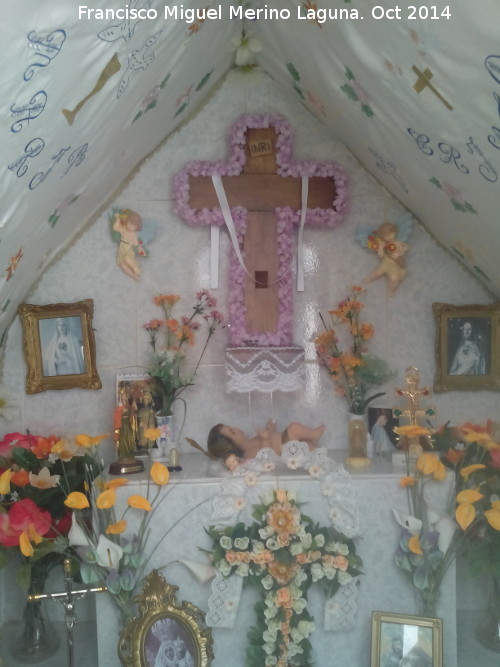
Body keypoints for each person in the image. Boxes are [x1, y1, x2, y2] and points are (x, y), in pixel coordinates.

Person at [207, 420, 325, 469]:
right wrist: (265, 438)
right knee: (294, 428)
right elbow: (266, 456)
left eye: (231, 427)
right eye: (232, 432)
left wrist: (270, 429)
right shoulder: (248, 452)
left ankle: (311, 446)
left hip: (290, 443)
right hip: (286, 450)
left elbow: (272, 437)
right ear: (231, 446)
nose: (236, 429)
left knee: (307, 445)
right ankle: (314, 434)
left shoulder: (252, 440)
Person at [363, 222, 409, 296]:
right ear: (383, 237)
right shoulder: (384, 244)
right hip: (386, 262)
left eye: (391, 234)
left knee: (393, 279)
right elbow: (381, 256)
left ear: (394, 233)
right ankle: (369, 278)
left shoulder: (397, 243)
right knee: (377, 273)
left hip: (395, 265)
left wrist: (397, 254)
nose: (389, 237)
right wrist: (380, 248)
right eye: (386, 236)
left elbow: (402, 252)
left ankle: (391, 290)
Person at [112, 208, 145, 280]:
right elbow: (115, 228)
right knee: (122, 265)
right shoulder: (123, 229)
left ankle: (135, 269)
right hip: (121, 248)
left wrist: (139, 247)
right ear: (127, 221)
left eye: (133, 226)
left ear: (136, 227)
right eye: (129, 223)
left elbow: (136, 243)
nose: (130, 226)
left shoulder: (133, 234)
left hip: (128, 249)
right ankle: (133, 275)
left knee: (127, 258)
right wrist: (118, 219)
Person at [113, 388, 137, 459]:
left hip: (128, 425)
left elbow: (132, 413)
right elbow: (117, 417)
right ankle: (124, 455)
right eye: (123, 396)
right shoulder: (120, 406)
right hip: (123, 426)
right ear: (120, 396)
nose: (124, 397)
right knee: (123, 440)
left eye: (125, 396)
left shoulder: (128, 405)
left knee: (130, 439)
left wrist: (133, 410)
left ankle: (130, 454)